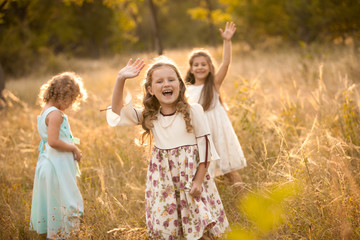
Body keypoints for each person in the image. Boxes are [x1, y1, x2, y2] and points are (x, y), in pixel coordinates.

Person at [107, 57, 229, 240]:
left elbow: (205, 149)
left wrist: (198, 181)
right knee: (172, 228)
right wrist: (120, 79)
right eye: (159, 81)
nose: (166, 84)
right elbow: (116, 114)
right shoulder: (150, 115)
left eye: (171, 79)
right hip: (165, 182)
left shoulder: (193, 110)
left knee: (199, 227)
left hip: (192, 178)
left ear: (179, 84)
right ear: (150, 89)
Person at [185, 22, 246, 184]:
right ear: (191, 69)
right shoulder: (186, 90)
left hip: (217, 131)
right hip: (200, 133)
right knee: (202, 172)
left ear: (210, 67)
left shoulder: (213, 85)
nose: (200, 67)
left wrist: (227, 41)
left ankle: (242, 198)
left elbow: (226, 63)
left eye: (203, 64)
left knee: (229, 170)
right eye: (196, 65)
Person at [30, 72, 87, 239]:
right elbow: (54, 141)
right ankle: (64, 234)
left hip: (49, 161)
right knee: (66, 199)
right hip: (56, 165)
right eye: (71, 100)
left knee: (54, 200)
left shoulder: (46, 110)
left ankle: (55, 233)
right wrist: (73, 148)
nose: (70, 105)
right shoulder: (55, 114)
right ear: (65, 95)